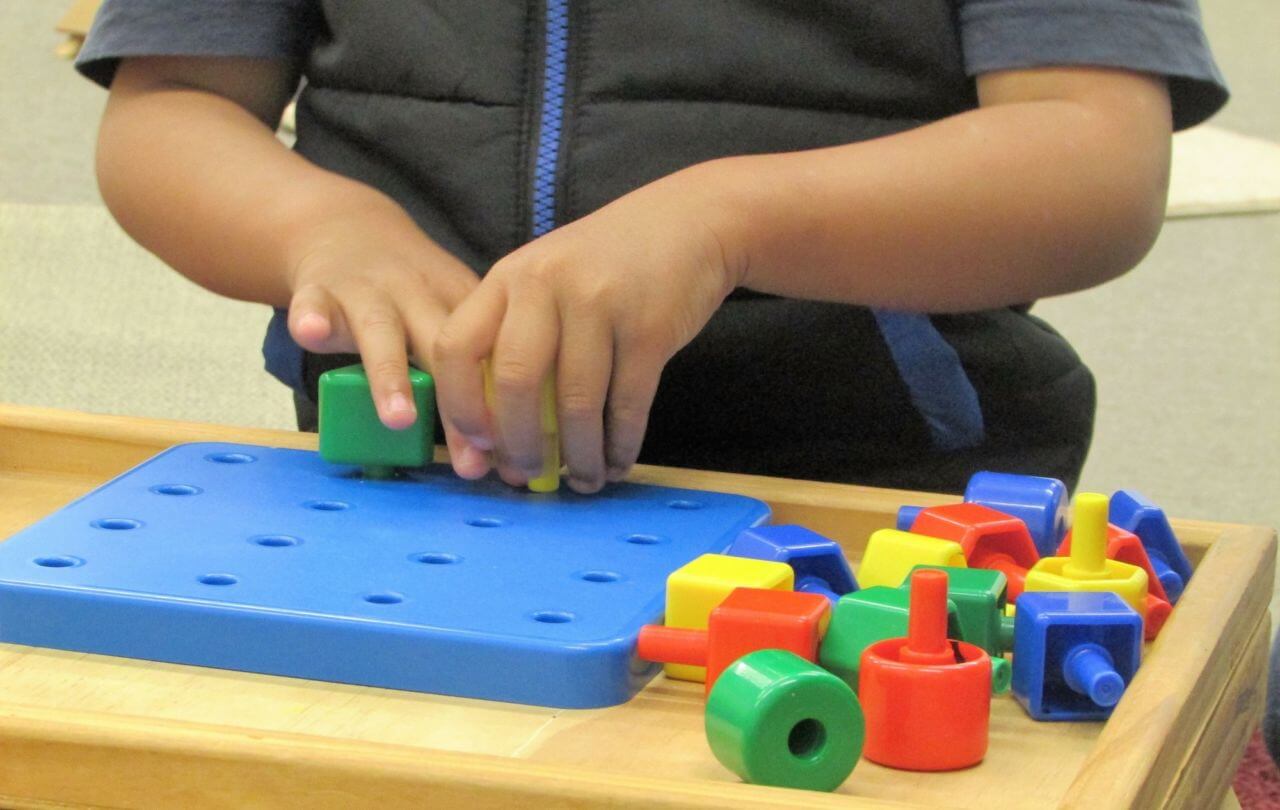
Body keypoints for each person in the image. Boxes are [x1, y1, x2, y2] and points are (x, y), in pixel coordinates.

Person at [77, 1, 1226, 495]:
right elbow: (172, 104)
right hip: (402, 474)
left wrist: (727, 222)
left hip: (870, 483)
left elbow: (1091, 158)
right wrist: (316, 225)